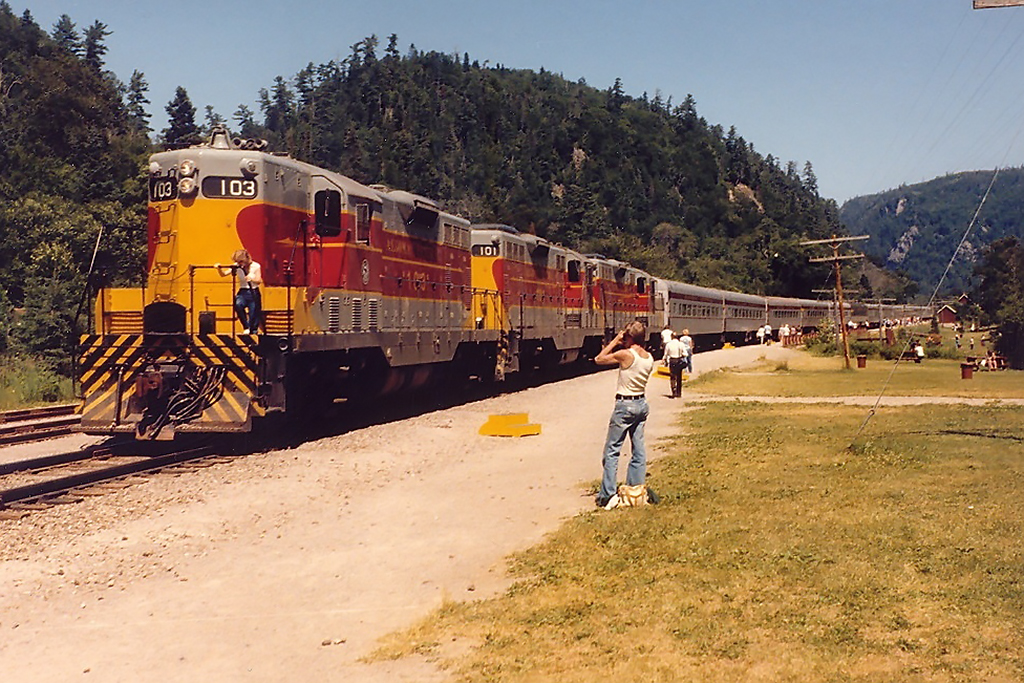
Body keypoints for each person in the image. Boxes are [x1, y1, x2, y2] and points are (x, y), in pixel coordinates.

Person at [595, 321, 656, 509]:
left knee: (612, 451)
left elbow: (599, 358)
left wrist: (615, 340)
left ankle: (608, 494)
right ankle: (635, 490)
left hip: (625, 405)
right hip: (641, 404)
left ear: (628, 337)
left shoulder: (625, 355)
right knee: (638, 450)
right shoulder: (649, 357)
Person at [218, 249, 263, 333]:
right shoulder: (236, 266)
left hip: (253, 291)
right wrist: (219, 268)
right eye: (238, 262)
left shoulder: (256, 266)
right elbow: (223, 274)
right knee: (238, 305)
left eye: (241, 261)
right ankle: (246, 326)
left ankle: (253, 330)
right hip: (243, 291)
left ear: (246, 258)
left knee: (253, 313)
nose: (239, 264)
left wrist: (251, 279)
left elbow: (259, 280)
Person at [662, 332, 686, 398]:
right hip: (679, 360)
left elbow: (665, 354)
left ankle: (673, 391)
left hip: (672, 361)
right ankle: (679, 393)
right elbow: (685, 353)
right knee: (679, 377)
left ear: (671, 337)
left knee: (672, 376)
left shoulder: (668, 344)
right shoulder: (681, 344)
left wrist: (664, 360)